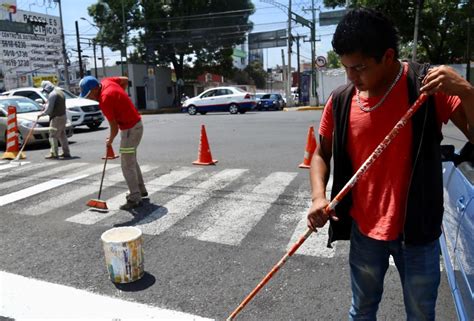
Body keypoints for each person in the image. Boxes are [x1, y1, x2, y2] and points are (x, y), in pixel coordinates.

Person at [307, 8, 474, 321]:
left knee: (421, 314)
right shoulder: (342, 99)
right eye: (345, 68)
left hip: (418, 234)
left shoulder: (426, 87)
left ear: (387, 56)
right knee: (361, 311)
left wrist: (466, 91)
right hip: (364, 232)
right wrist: (319, 196)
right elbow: (320, 154)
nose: (351, 77)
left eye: (359, 68)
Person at [79, 76, 148, 210]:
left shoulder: (105, 100)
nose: (89, 98)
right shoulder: (107, 82)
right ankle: (141, 190)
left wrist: (109, 140)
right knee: (131, 160)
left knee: (126, 165)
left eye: (88, 94)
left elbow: (114, 127)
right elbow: (125, 79)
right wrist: (120, 96)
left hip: (130, 130)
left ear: (94, 89)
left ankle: (135, 198)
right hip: (135, 126)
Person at [39, 80, 71, 159]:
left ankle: (54, 153)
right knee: (62, 135)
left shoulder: (52, 94)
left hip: (56, 118)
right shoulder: (60, 92)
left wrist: (41, 114)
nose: (45, 92)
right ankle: (66, 152)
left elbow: (49, 109)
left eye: (45, 90)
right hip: (63, 116)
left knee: (52, 135)